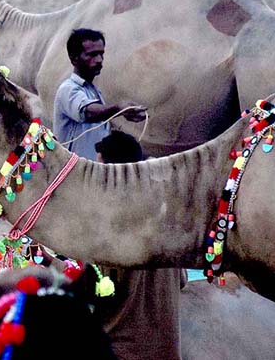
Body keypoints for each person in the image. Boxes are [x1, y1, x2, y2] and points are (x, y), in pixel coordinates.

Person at [93, 130, 185, 360]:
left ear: (113, 173)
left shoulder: (105, 225)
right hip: (167, 351)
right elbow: (181, 280)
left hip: (122, 352)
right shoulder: (164, 218)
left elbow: (94, 291)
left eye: (99, 168)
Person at [53, 28, 146, 159]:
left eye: (101, 54)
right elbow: (88, 112)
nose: (99, 60)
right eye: (92, 55)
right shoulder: (68, 89)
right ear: (74, 59)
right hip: (74, 175)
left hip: (92, 173)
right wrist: (119, 109)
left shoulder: (94, 91)